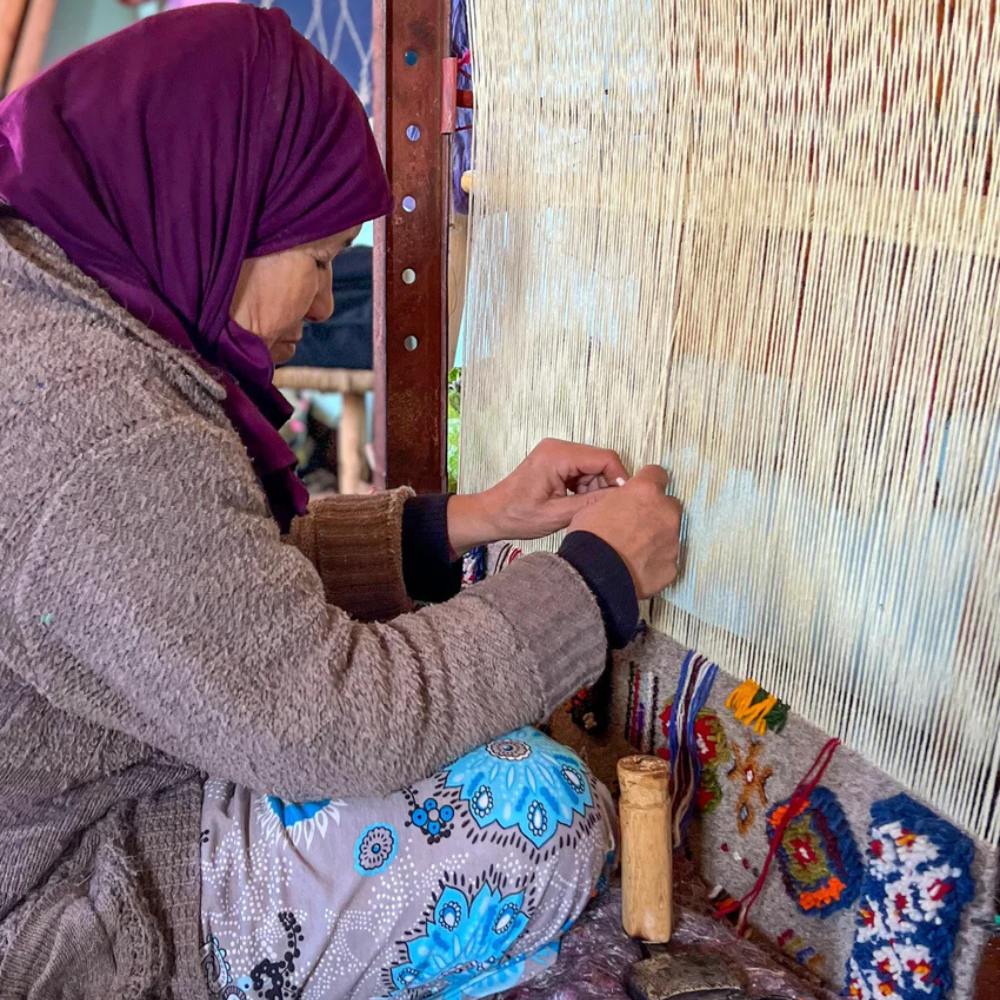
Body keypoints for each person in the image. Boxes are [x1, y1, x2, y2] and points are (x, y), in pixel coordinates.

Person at [0, 7, 680, 999]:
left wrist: (465, 520)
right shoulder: (96, 429)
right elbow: (330, 724)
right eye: (320, 260)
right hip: (52, 909)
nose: (325, 304)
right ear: (216, 212)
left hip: (56, 824)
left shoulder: (53, 318)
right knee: (527, 815)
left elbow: (192, 588)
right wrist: (593, 583)